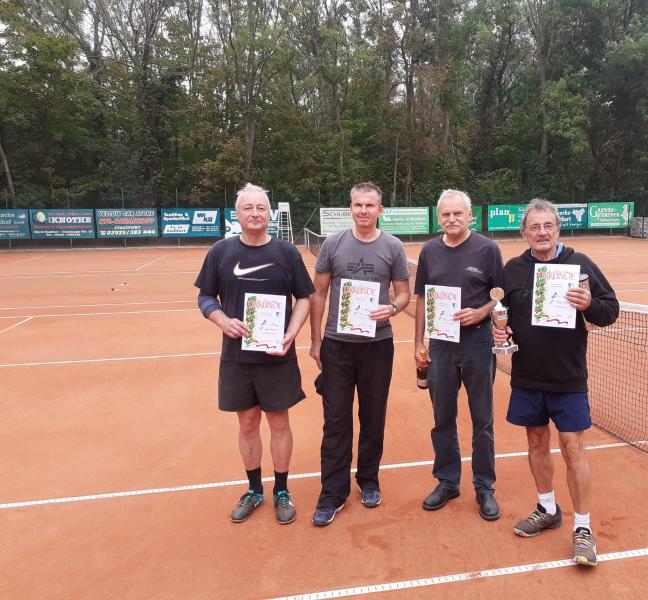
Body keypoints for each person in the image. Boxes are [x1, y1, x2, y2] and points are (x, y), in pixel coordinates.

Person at [492, 198, 619, 566]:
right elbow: (502, 313)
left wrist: (589, 305)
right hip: (527, 375)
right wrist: (500, 331)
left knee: (573, 448)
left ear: (558, 229)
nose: (542, 232)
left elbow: (610, 310)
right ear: (524, 233)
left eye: (548, 225)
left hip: (568, 377)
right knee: (536, 441)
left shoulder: (581, 265)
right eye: (534, 227)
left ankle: (583, 528)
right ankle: (547, 508)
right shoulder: (513, 269)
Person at [195, 183, 314, 525]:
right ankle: (254, 490)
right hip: (236, 358)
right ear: (237, 214)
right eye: (248, 208)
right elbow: (205, 297)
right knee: (247, 422)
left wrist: (292, 332)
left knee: (279, 423)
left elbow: (304, 297)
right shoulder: (221, 251)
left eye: (261, 207)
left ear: (269, 214)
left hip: (277, 356)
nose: (255, 213)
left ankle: (281, 491)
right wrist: (221, 320)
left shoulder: (286, 252)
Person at [309, 182, 410, 526]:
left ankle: (368, 480)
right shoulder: (333, 244)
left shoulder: (393, 246)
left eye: (370, 205)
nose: (363, 210)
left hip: (378, 346)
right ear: (350, 208)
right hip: (337, 346)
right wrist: (316, 340)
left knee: (373, 417)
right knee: (336, 420)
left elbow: (403, 293)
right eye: (358, 205)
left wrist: (392, 309)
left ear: (380, 210)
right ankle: (332, 493)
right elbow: (318, 294)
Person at [413, 189, 504, 520]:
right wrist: (418, 343)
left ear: (469, 216)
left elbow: (500, 295)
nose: (451, 219)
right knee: (442, 418)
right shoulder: (429, 251)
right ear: (439, 218)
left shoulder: (487, 249)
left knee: (482, 419)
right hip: (440, 345)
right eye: (446, 214)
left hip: (478, 343)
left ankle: (484, 487)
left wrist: (481, 313)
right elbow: (421, 299)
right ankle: (448, 482)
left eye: (457, 213)